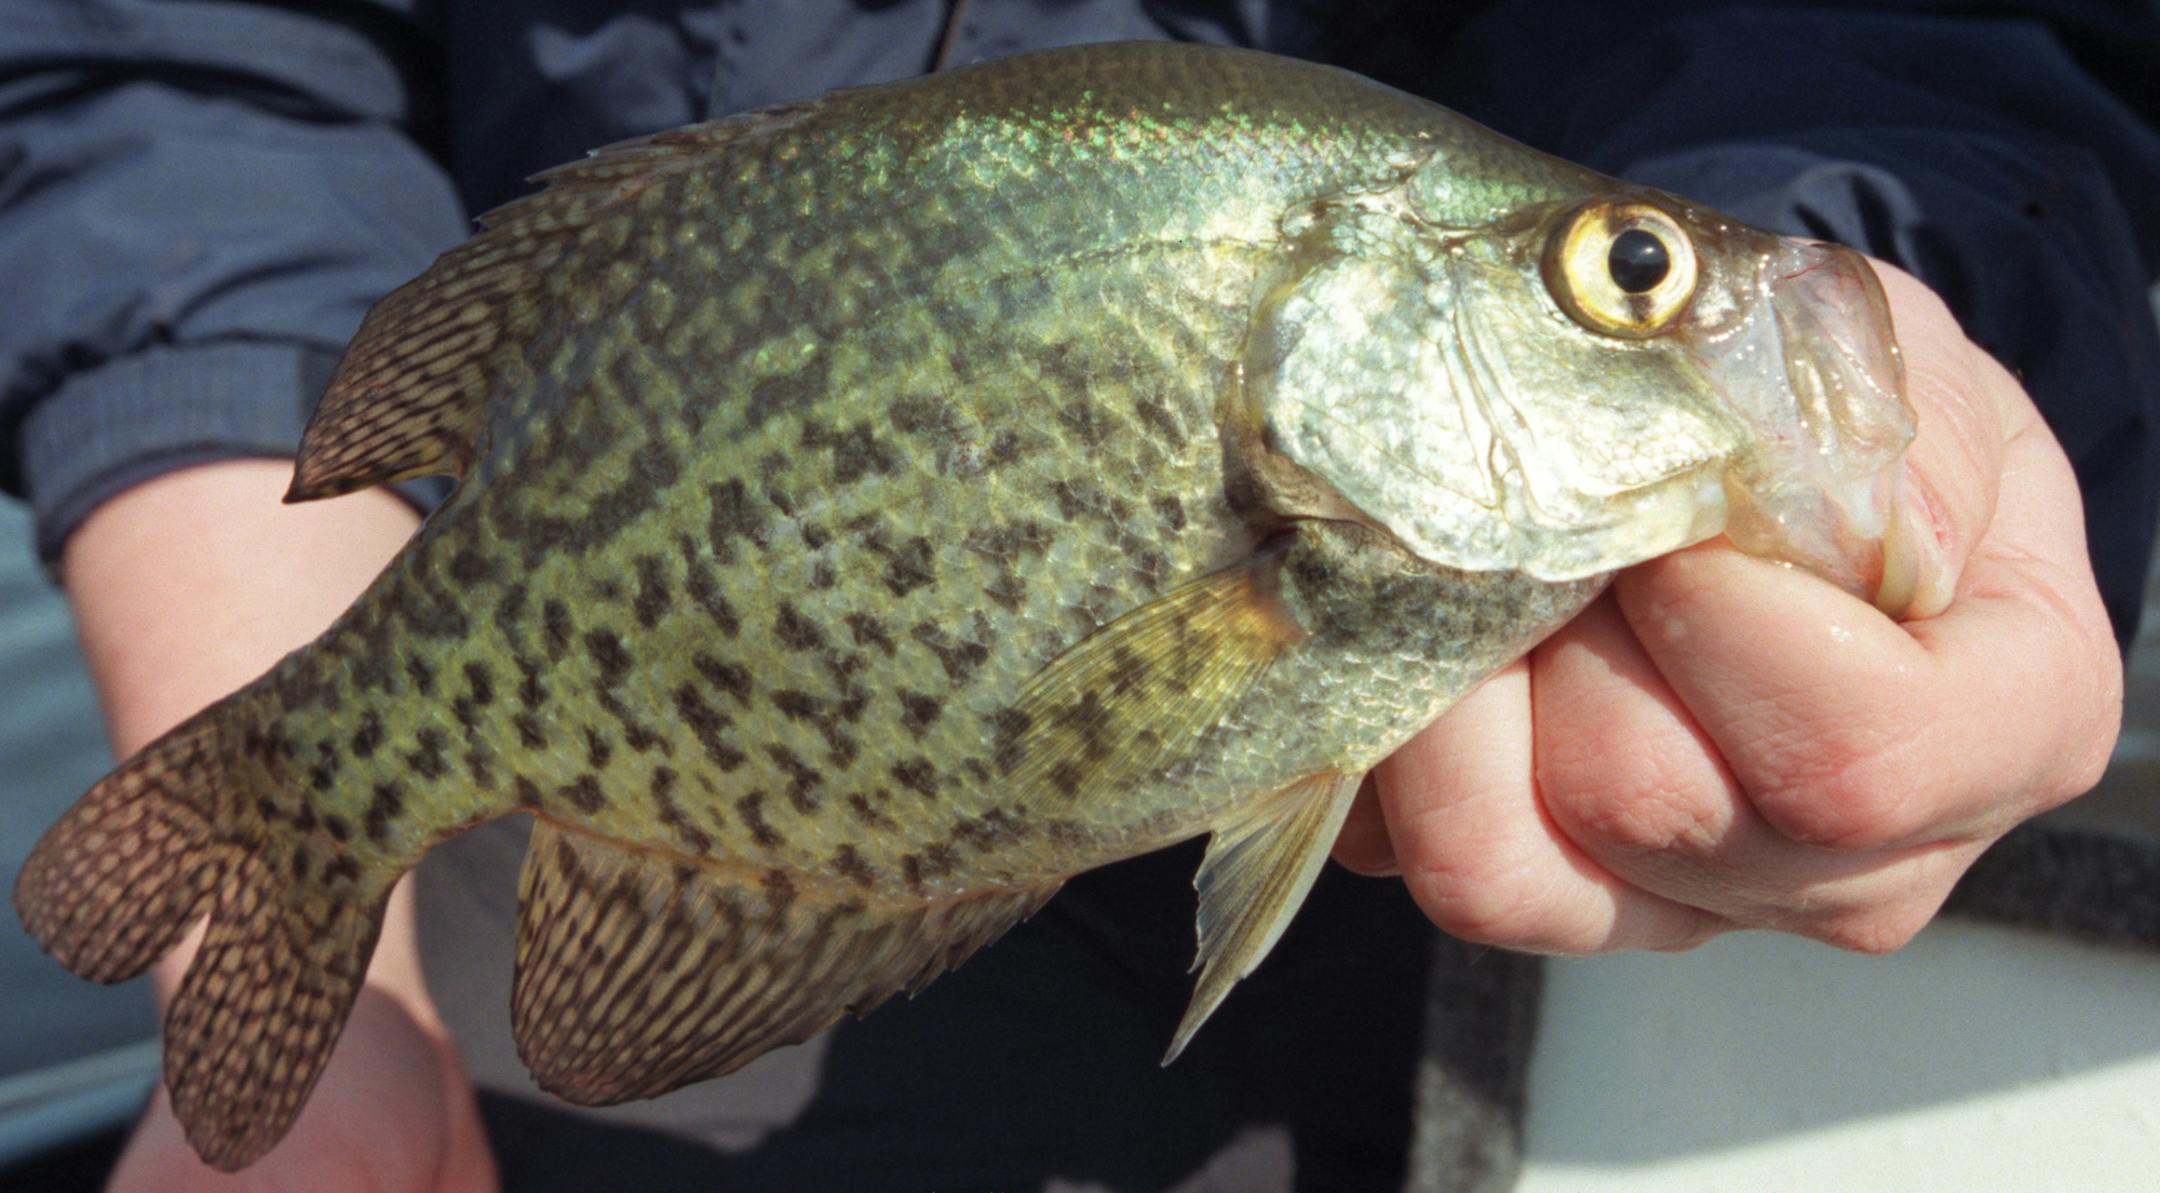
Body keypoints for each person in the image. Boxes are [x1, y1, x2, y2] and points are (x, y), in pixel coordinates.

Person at [2, 3, 2155, 1190]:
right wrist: (328, 942)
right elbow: (187, 61)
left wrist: (1913, 269)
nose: (1672, 310)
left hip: (1441, 1023)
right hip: (605, 904)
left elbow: (1900, 44)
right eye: (1631, 283)